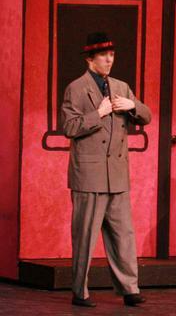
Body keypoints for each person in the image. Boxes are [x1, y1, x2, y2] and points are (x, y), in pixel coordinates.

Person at [61, 32, 151, 308]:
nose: (109, 60)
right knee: (85, 236)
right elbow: (69, 127)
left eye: (112, 55)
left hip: (117, 175)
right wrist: (97, 114)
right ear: (90, 59)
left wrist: (133, 106)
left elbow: (147, 116)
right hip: (89, 176)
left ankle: (130, 289)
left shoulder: (121, 87)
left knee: (124, 235)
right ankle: (80, 291)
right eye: (103, 55)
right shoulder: (76, 88)